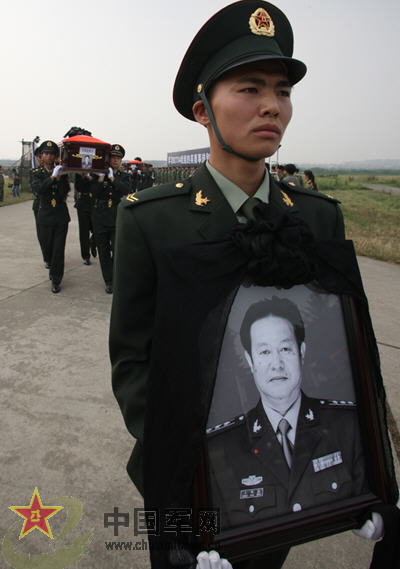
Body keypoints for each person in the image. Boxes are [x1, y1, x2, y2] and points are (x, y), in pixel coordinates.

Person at [110, 2, 385, 568]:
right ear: (202, 110)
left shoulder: (317, 217)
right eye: (250, 88)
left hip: (285, 474)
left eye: (283, 91)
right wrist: (190, 457)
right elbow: (134, 360)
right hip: (187, 479)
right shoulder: (151, 220)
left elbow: (337, 352)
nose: (272, 106)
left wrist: (361, 462)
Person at [207, 297, 367, 528]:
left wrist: (377, 515)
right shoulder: (222, 445)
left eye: (285, 348)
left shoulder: (347, 424)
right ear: (250, 360)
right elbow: (211, 522)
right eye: (264, 352)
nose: (277, 364)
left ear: (301, 351)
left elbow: (371, 495)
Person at [31, 140, 70, 293]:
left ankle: (56, 279)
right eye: (46, 153)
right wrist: (52, 177)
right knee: (47, 247)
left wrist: (60, 177)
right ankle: (49, 261)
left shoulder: (62, 172)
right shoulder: (36, 173)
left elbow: (64, 192)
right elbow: (39, 190)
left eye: (52, 154)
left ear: (55, 156)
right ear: (41, 156)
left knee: (58, 249)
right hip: (45, 215)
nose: (48, 156)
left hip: (60, 215)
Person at [91, 144, 131, 293]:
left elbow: (127, 190)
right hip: (100, 216)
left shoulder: (124, 176)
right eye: (113, 157)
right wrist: (102, 177)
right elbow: (94, 193)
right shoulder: (98, 174)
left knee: (117, 249)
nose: (115, 160)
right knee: (103, 251)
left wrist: (113, 179)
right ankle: (108, 280)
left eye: (118, 158)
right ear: (108, 158)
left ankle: (115, 275)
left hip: (116, 215)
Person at [74, 174, 96, 265]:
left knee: (98, 230)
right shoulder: (80, 171)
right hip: (83, 203)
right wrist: (83, 176)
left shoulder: (97, 169)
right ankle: (86, 256)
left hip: (96, 202)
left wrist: (91, 178)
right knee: (84, 232)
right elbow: (78, 187)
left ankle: (93, 242)